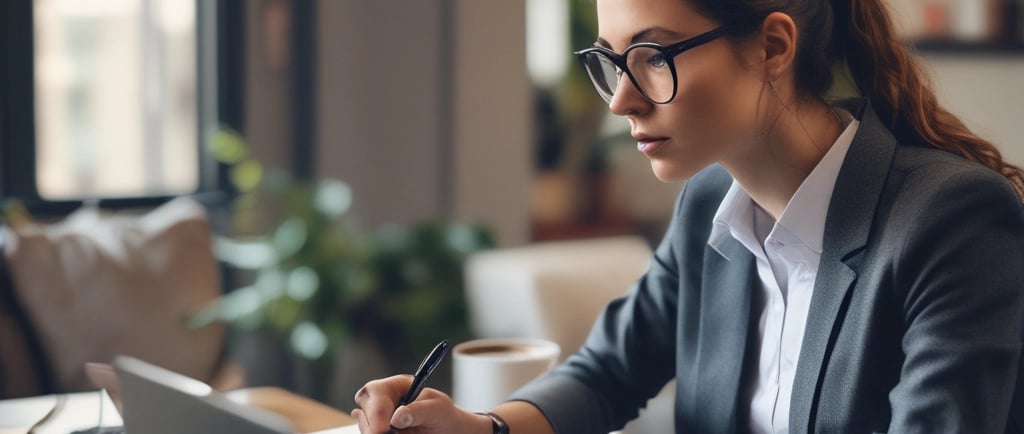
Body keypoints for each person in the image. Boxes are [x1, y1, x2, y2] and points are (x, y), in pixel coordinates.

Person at [352, 0, 1024, 432]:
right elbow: (608, 372)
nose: (622, 101)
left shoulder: (951, 219)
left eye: (651, 58)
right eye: (611, 61)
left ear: (773, 47)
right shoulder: (710, 204)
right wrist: (482, 429)